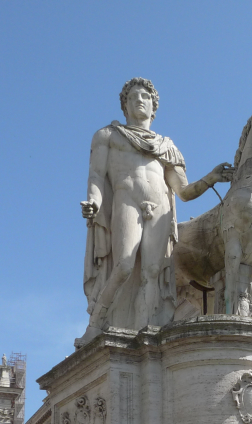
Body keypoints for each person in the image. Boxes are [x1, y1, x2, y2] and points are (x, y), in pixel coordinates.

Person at [80, 77, 233, 338]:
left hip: (160, 206)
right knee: (125, 265)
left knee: (152, 271)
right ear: (125, 107)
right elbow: (96, 175)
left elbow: (183, 192)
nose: (139, 100)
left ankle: (146, 335)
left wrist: (211, 178)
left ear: (154, 107)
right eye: (133, 97)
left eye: (145, 97)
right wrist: (94, 200)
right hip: (126, 199)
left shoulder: (167, 147)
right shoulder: (108, 135)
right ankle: (96, 324)